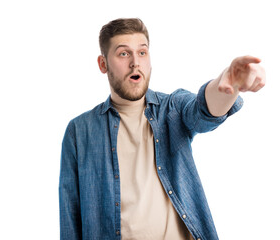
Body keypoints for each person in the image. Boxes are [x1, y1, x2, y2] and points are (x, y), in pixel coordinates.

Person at [59, 18, 266, 240]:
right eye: (123, 54)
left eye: (142, 52)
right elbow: (70, 217)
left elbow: (203, 110)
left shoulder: (172, 108)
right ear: (103, 64)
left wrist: (228, 87)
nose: (135, 63)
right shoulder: (79, 131)